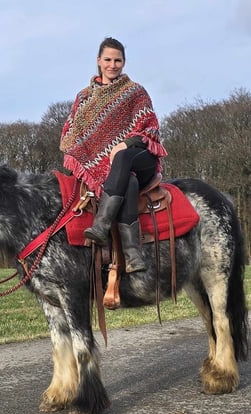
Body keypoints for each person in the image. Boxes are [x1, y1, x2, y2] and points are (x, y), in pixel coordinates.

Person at [60, 37, 168, 273]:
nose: (113, 65)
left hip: (141, 157)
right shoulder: (84, 97)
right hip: (115, 172)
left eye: (118, 60)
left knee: (123, 158)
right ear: (99, 61)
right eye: (108, 59)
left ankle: (101, 224)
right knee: (126, 180)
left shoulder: (135, 92)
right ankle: (132, 256)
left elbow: (151, 129)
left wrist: (126, 143)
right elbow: (71, 134)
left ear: (124, 62)